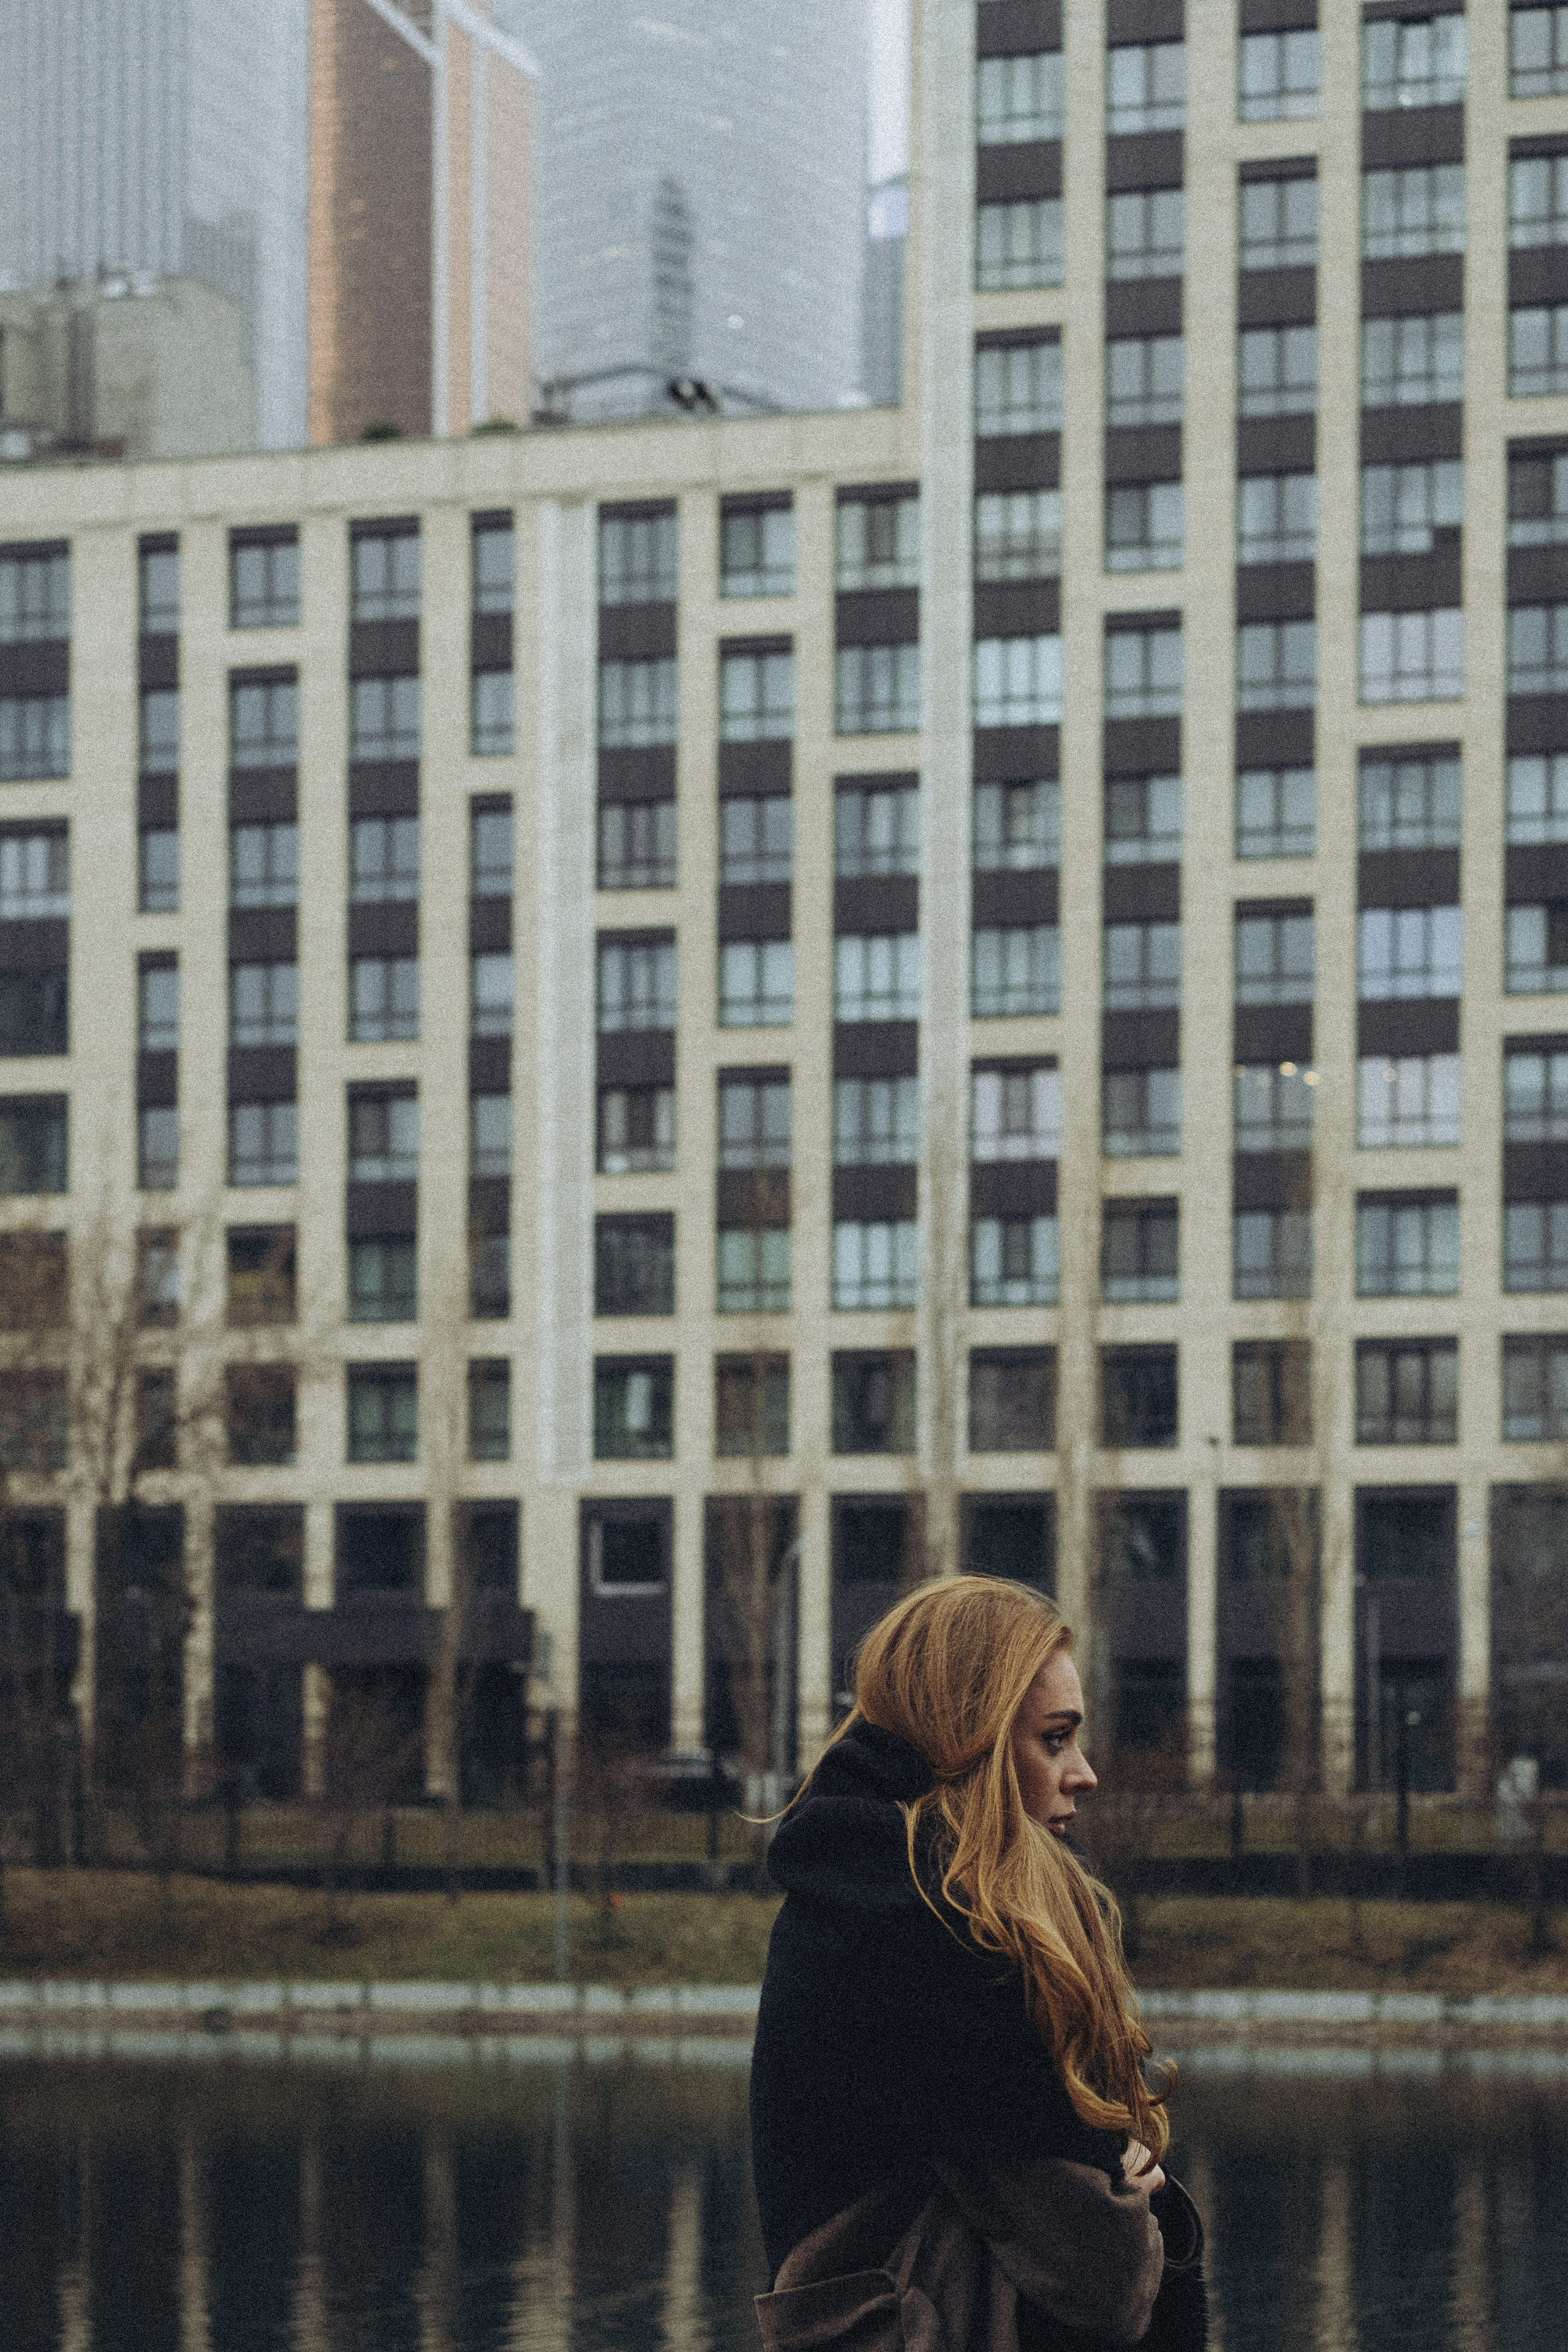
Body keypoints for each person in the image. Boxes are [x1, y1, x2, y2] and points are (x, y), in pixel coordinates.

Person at [750, 1575, 1205, 2351]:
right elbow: (1102, 2283)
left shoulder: (858, 1901)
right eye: (1055, 1739)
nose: (1084, 1772)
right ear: (978, 1744)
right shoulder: (941, 1938)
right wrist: (1141, 2200)